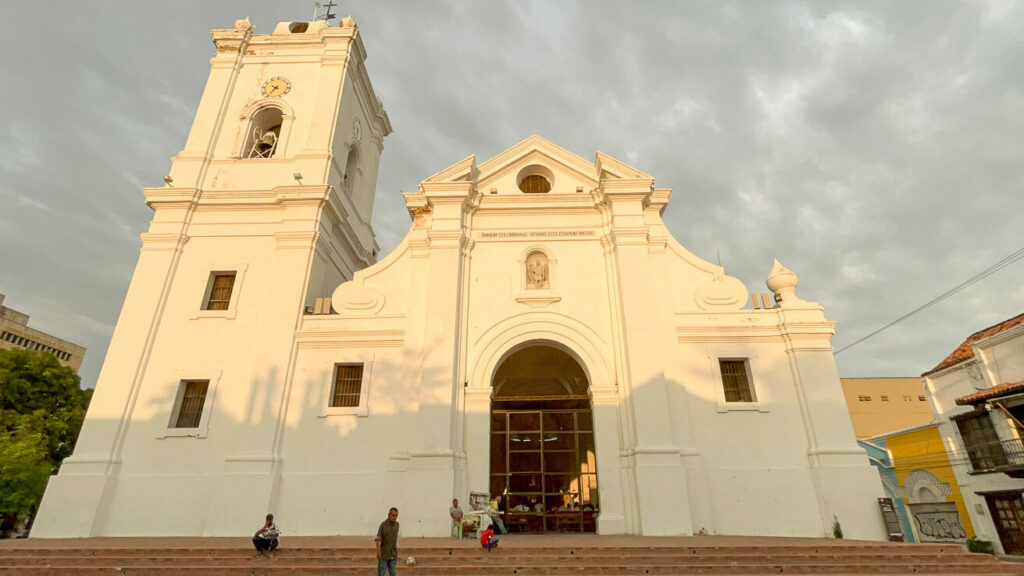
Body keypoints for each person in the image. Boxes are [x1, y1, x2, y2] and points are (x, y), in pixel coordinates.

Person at [375, 507, 400, 576]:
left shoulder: (397, 525)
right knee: (382, 573)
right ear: (389, 515)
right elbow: (378, 539)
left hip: (393, 553)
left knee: (393, 572)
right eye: (393, 515)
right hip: (384, 554)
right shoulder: (383, 525)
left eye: (396, 516)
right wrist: (378, 551)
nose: (394, 517)